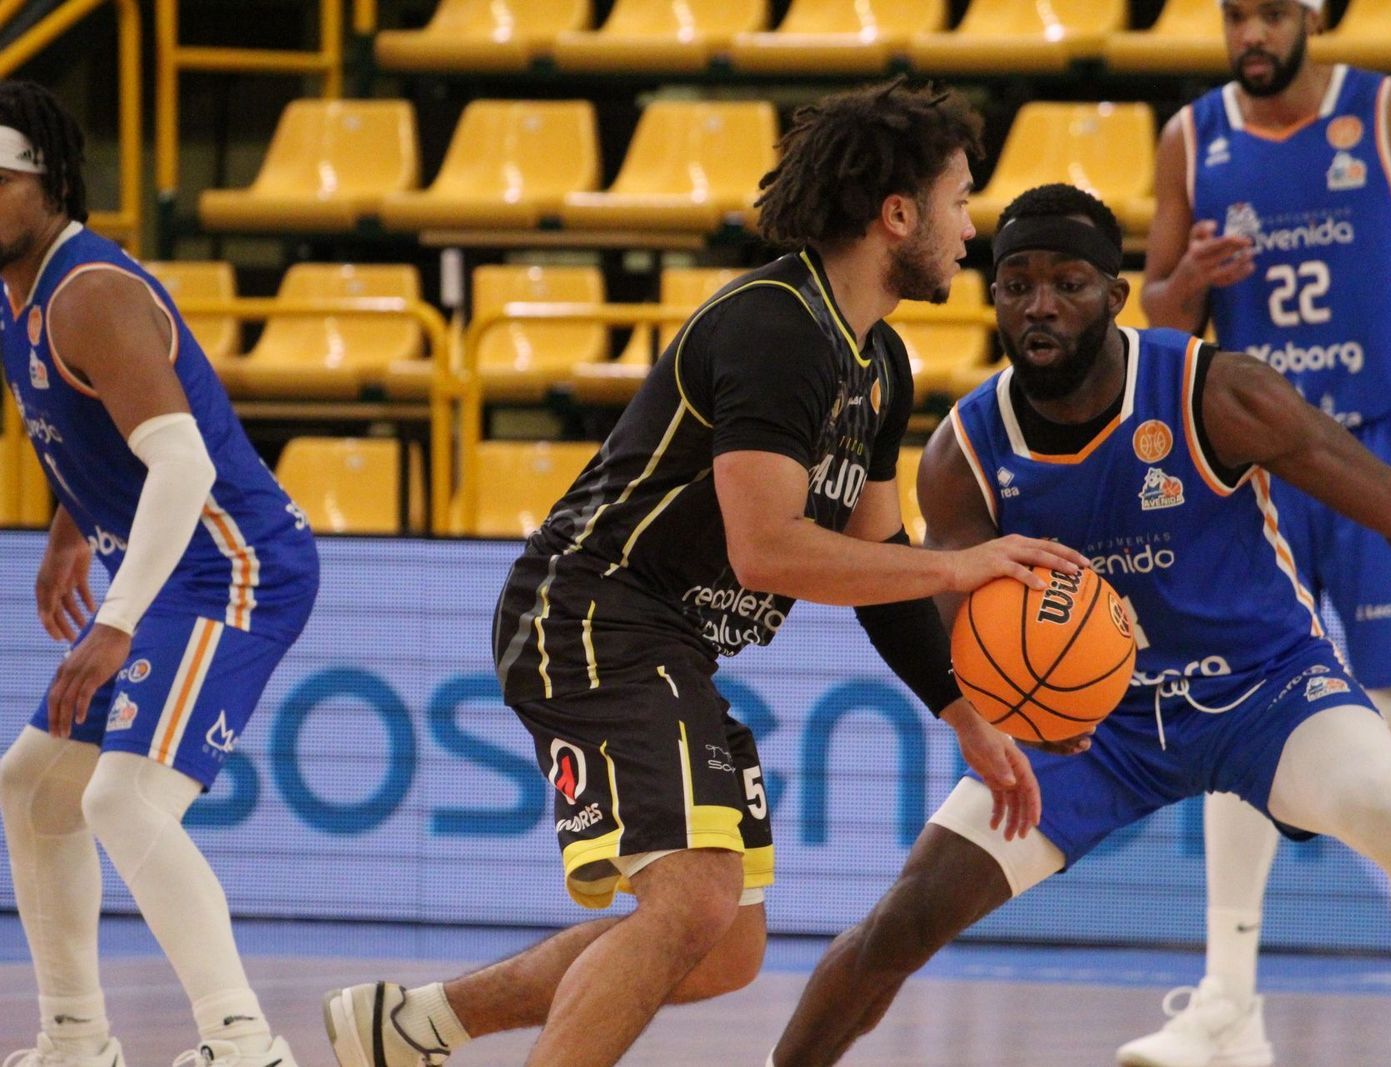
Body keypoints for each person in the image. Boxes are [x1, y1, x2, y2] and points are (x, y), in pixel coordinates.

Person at [321, 79, 1082, 1067]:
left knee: (722, 946)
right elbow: (769, 549)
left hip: (665, 636)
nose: (967, 228)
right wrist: (965, 563)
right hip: (592, 609)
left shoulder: (878, 362)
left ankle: (415, 1024)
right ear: (897, 214)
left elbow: (882, 559)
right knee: (692, 897)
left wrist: (964, 713)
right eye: (958, 200)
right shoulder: (775, 327)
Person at [768, 183, 1391, 1067]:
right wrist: (988, 713)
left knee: (1387, 803)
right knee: (906, 916)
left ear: (1116, 296)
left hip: (1266, 686)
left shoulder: (1216, 391)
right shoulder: (966, 452)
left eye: (1069, 281)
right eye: (1017, 284)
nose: (1040, 304)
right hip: (1095, 724)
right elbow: (942, 629)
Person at [1131, 2, 1391, 1064]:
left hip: (1381, 448)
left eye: (1268, 12)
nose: (1249, 33)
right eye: (1232, 15)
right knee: (1236, 710)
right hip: (1257, 458)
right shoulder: (1190, 137)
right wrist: (1190, 286)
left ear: (1309, 14)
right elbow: (1153, 319)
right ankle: (1226, 996)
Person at [0, 82, 318, 1067]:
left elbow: (179, 458)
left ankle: (243, 1041)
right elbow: (104, 431)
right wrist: (68, 527)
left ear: (44, 180)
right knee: (32, 788)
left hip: (231, 566)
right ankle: (75, 1036)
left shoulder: (88, 292)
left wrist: (115, 619)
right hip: (169, 563)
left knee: (119, 799)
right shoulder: (18, 293)